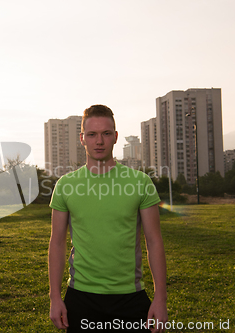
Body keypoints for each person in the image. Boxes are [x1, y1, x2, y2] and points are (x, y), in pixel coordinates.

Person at [48, 105, 167, 332]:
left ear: (115, 137)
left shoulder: (140, 183)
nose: (99, 141)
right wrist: (55, 297)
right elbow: (57, 242)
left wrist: (160, 299)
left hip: (130, 297)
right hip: (81, 297)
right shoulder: (66, 185)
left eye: (106, 133)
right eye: (92, 134)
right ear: (82, 139)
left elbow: (154, 242)